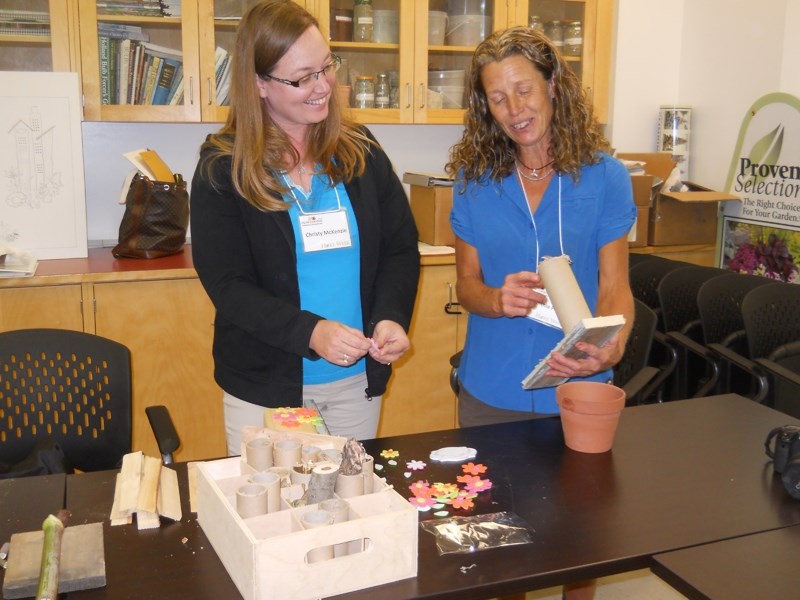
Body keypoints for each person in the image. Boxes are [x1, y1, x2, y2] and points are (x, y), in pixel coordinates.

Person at [445, 26, 636, 600]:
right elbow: (467, 286)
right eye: (498, 98)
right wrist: (495, 299)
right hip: (491, 392)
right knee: (497, 551)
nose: (515, 110)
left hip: (578, 388)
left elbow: (615, 286)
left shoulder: (603, 175)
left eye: (524, 90)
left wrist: (613, 345)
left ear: (553, 84)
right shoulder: (475, 181)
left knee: (580, 542)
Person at [190, 0, 420, 456]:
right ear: (258, 84)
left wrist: (390, 315)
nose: (323, 87)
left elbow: (399, 247)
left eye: (326, 67)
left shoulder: (360, 151)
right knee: (273, 518)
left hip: (356, 384)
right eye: (301, 78)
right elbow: (228, 285)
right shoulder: (223, 168)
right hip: (265, 392)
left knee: (350, 513)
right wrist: (311, 333)